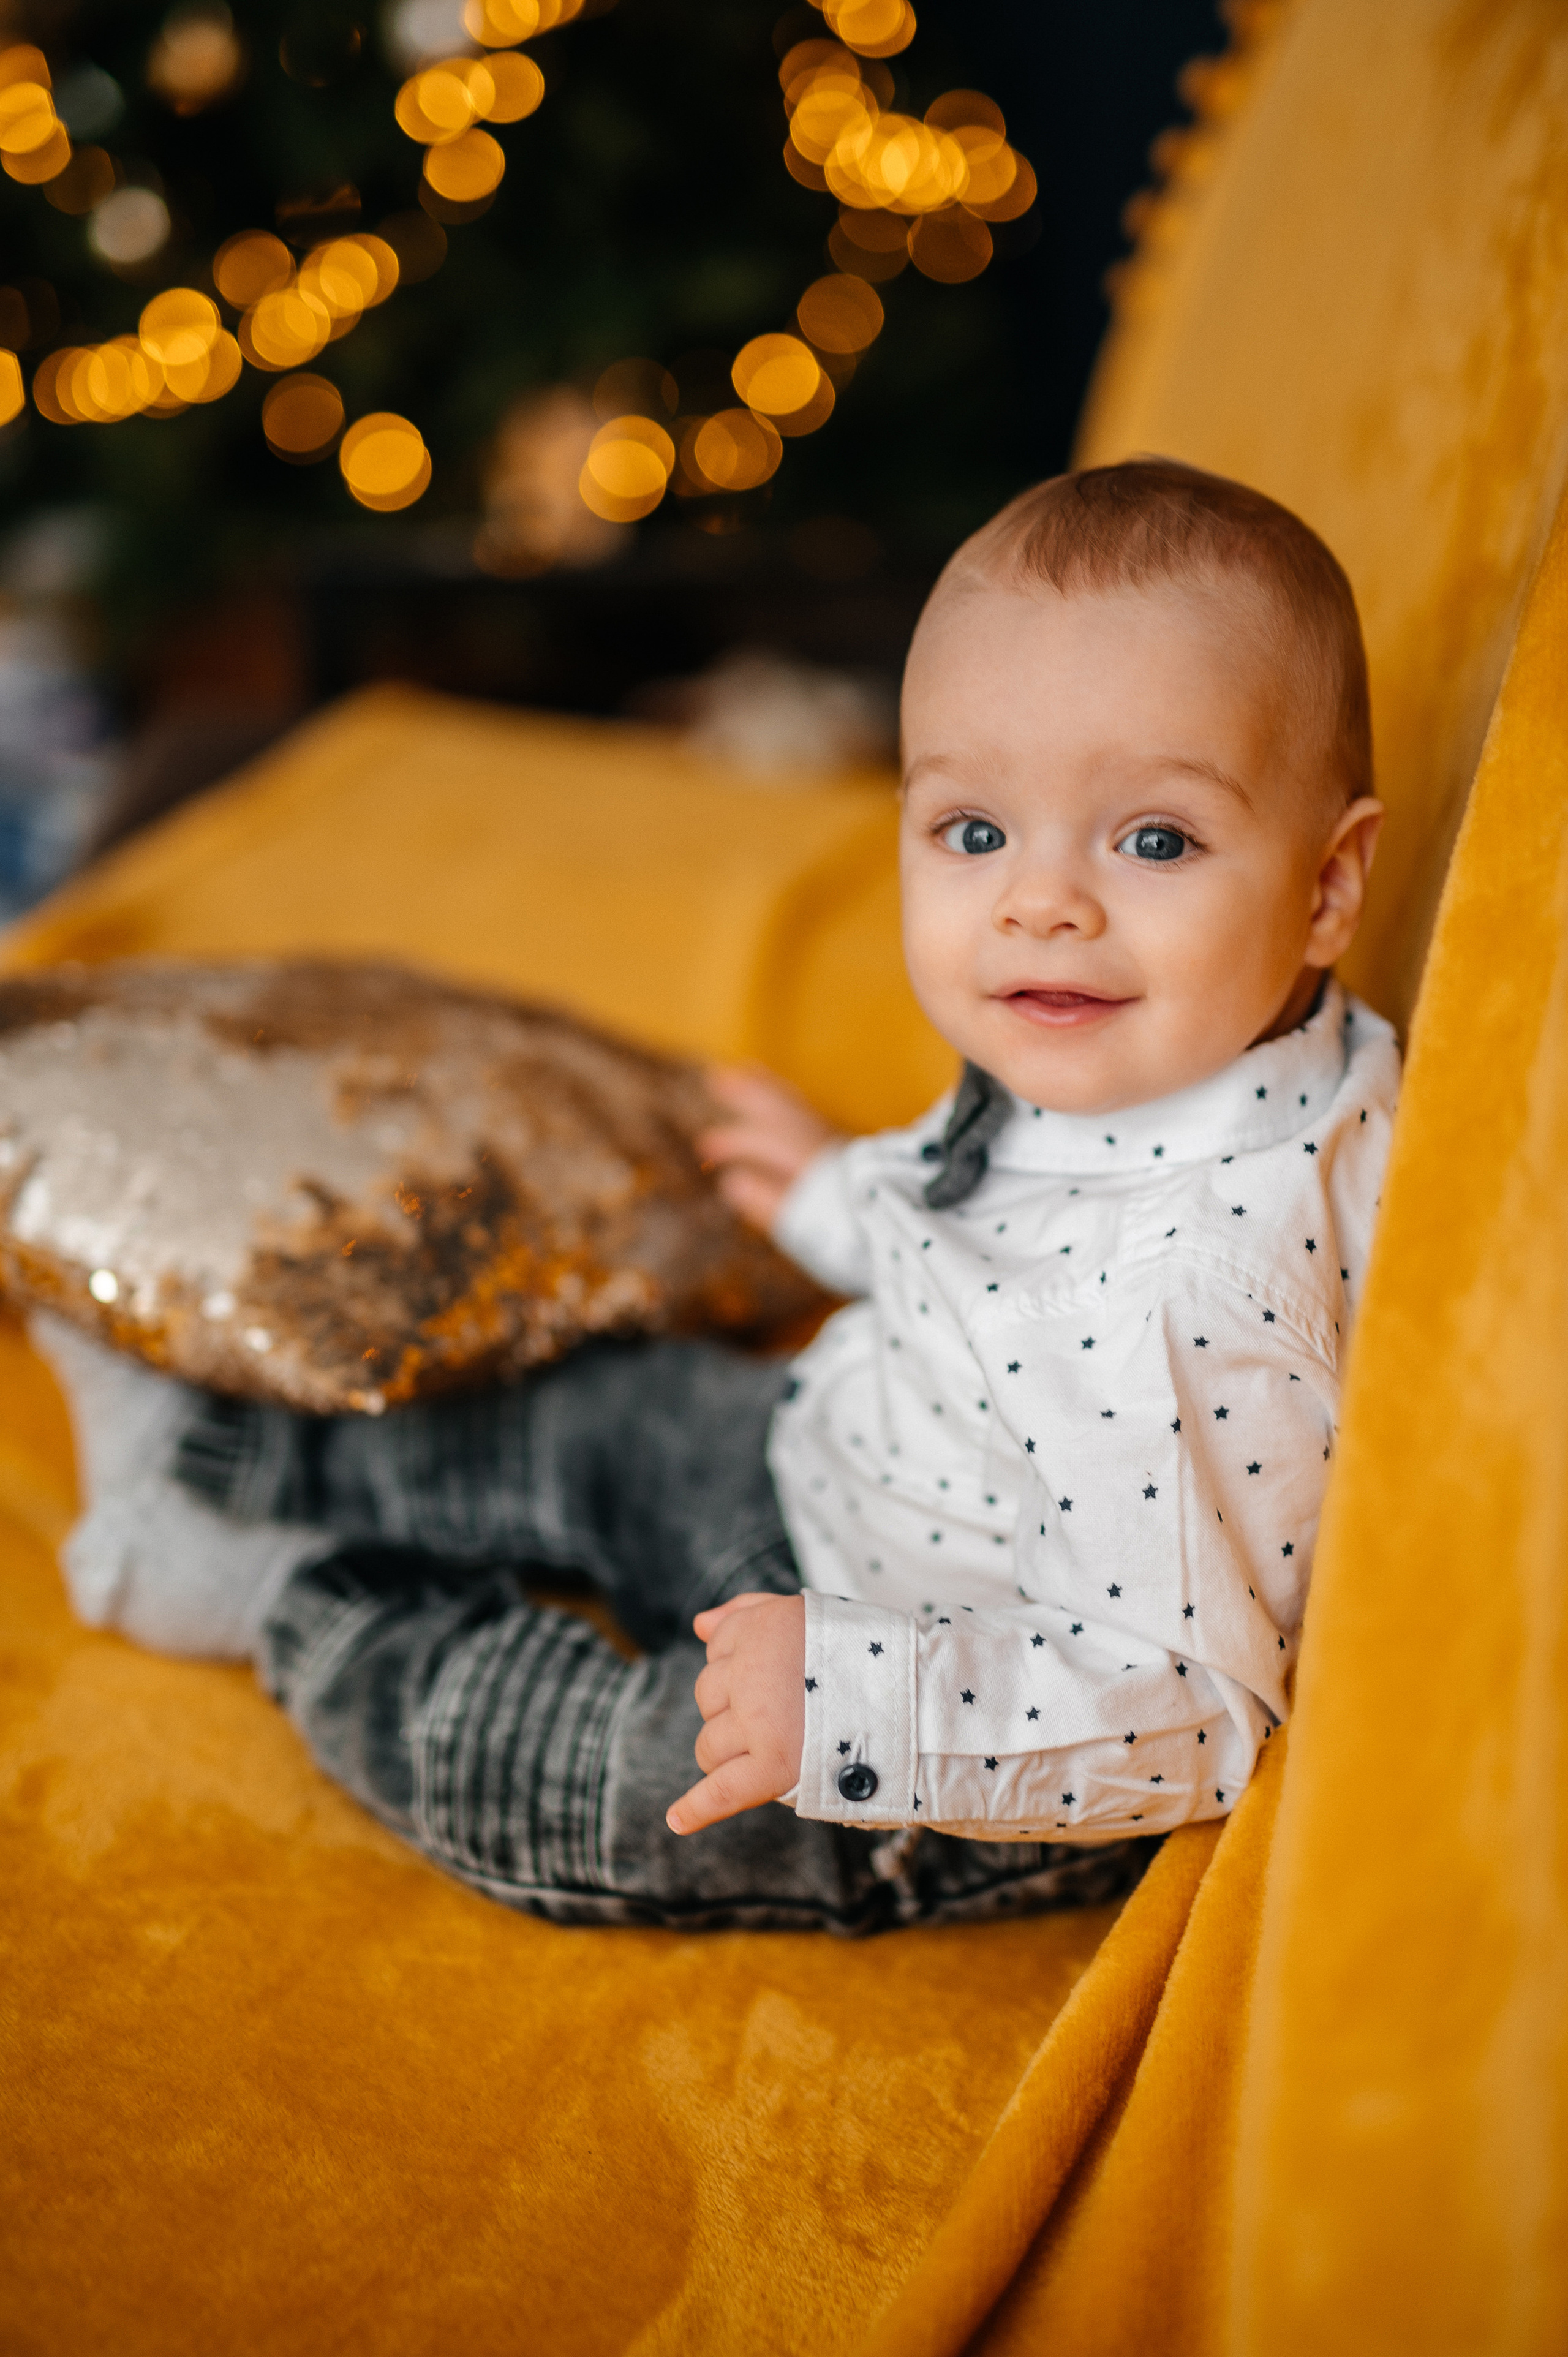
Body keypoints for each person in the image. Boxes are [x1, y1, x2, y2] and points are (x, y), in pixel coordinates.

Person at [36, 458, 1396, 1934]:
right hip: (842, 1461)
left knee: (584, 1774)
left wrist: (845, 1700)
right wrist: (834, 1196)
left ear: (1327, 887)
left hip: (954, 1757)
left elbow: (1181, 1708)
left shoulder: (1197, 1298)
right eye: (973, 831)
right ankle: (225, 1446)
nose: (1039, 902)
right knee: (603, 1409)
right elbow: (988, 1234)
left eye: (1153, 839)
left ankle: (272, 1593)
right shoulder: (1133, 1031)